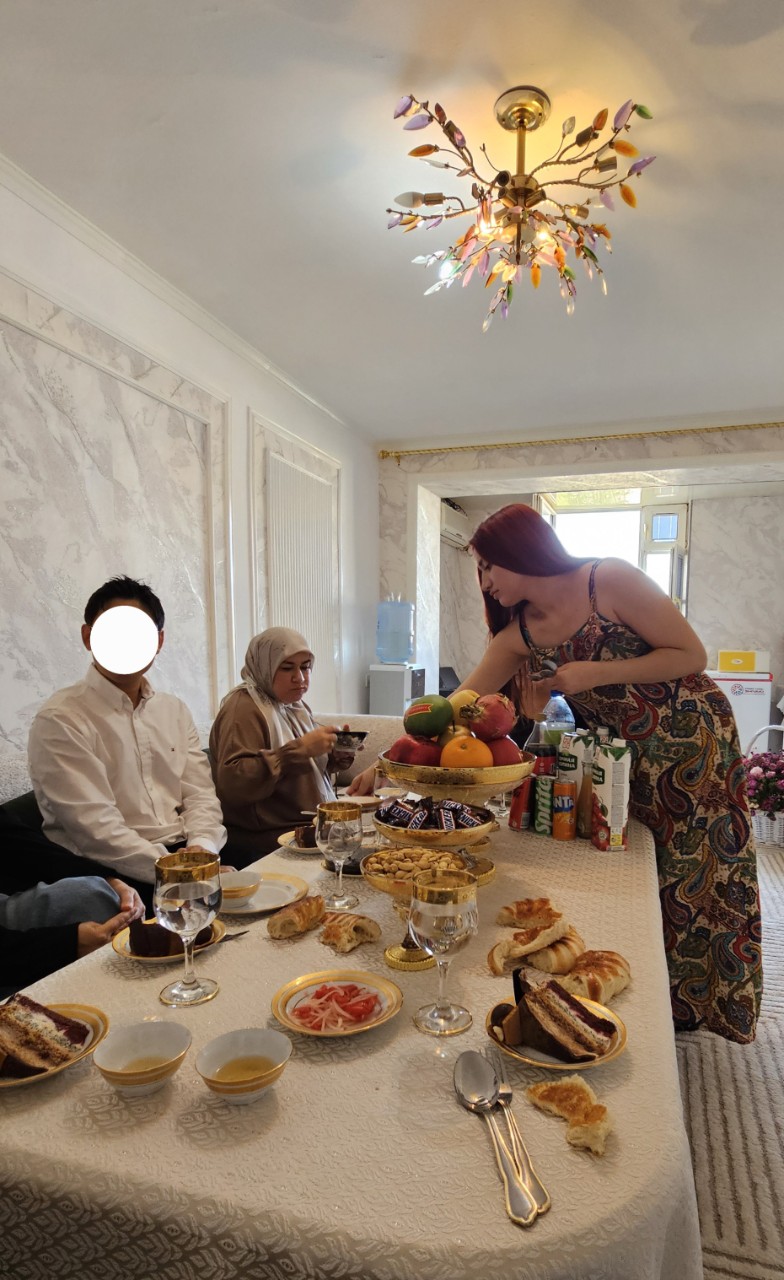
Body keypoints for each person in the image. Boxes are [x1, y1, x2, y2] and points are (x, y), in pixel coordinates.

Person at [459, 502, 762, 1044]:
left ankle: (696, 1009)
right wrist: (400, 755)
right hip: (624, 763)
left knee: (703, 873)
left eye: (487, 566)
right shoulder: (519, 634)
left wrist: (594, 673)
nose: (484, 582)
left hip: (695, 745)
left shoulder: (607, 579)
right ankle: (657, 1001)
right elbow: (460, 705)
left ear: (519, 551)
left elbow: (690, 654)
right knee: (648, 871)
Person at [28, 576, 227, 909]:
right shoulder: (61, 719)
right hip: (111, 876)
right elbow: (96, 830)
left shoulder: (173, 710)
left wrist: (203, 849)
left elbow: (200, 795)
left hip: (187, 855)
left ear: (159, 641)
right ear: (88, 636)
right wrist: (179, 872)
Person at [209, 628, 355, 859]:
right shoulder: (243, 709)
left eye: (305, 667)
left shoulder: (294, 707)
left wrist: (334, 754)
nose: (300, 678)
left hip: (307, 827)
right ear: (264, 667)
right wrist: (300, 750)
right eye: (287, 668)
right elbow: (234, 782)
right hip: (267, 838)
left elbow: (302, 774)